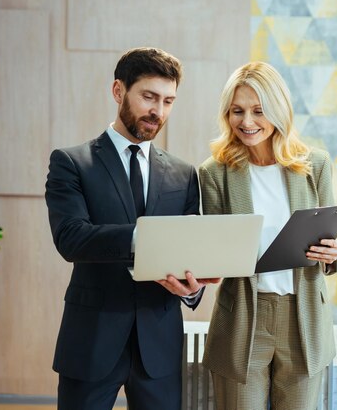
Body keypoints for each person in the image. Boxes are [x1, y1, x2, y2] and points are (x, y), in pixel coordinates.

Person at [45, 47, 219, 410]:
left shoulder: (186, 175)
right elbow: (71, 238)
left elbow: (189, 252)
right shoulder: (72, 163)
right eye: (149, 97)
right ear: (118, 91)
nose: (158, 111)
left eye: (168, 100)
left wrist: (191, 289)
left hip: (159, 347)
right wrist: (147, 238)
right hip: (91, 341)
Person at [199, 61, 337, 409]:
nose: (247, 122)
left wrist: (333, 252)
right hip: (243, 318)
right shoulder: (214, 173)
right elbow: (217, 254)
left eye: (259, 111)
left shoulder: (315, 165)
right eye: (237, 111)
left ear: (278, 110)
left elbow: (329, 240)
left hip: (303, 315)